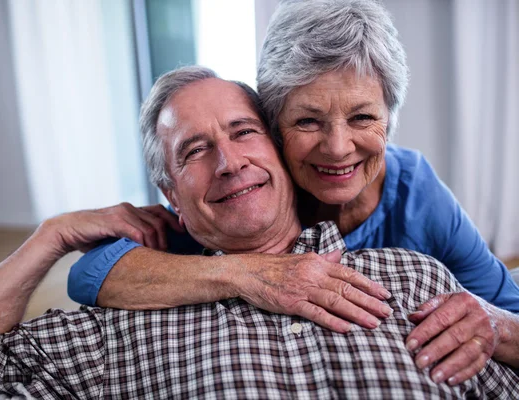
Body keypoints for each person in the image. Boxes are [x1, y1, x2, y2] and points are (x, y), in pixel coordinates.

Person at [0, 68, 518, 399]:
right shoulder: (120, 325)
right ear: (170, 198)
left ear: (282, 153)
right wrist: (48, 238)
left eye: (242, 132)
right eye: (195, 151)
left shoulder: (416, 281)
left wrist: (492, 326)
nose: (229, 163)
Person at [67, 0, 519, 386]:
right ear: (275, 126)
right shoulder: (252, 193)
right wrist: (246, 273)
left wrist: (495, 325)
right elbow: (89, 274)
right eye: (307, 121)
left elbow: (509, 310)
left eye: (362, 118)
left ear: (390, 119)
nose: (338, 148)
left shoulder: (416, 190)